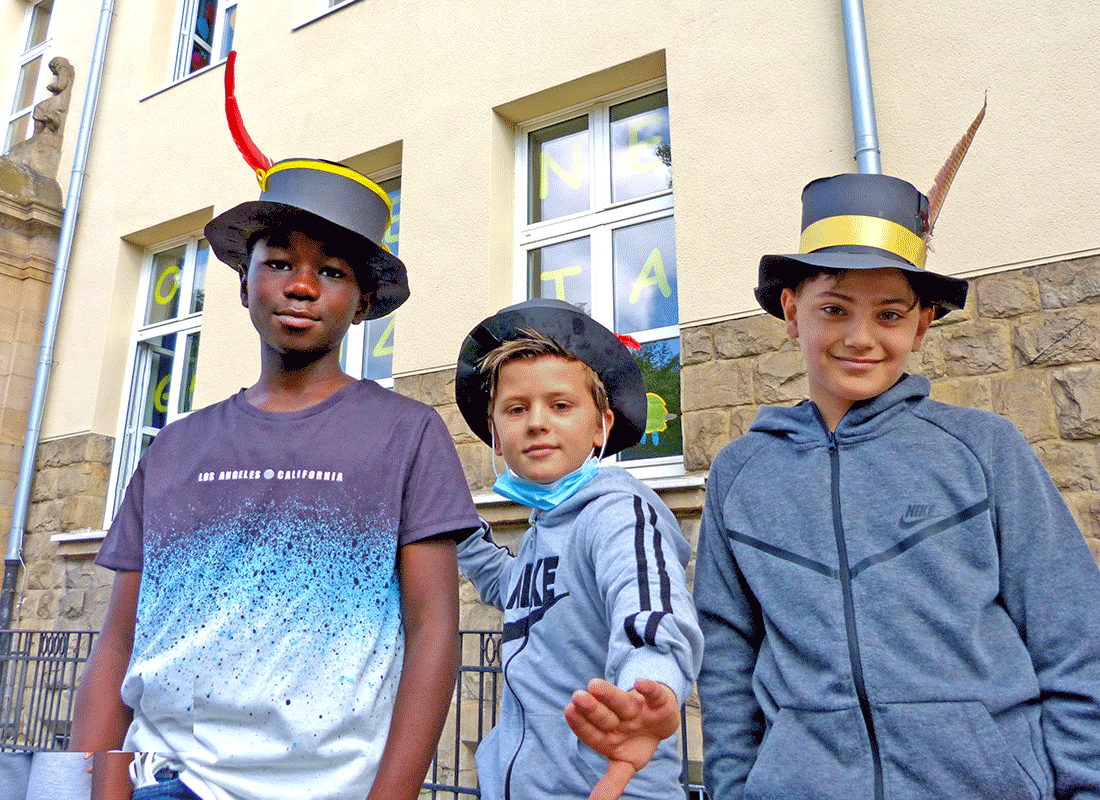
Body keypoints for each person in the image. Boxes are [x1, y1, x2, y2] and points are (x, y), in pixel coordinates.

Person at [69, 52, 480, 800]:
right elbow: (118, 644)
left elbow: (433, 635)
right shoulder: (176, 447)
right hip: (166, 782)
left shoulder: (406, 434)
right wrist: (96, 788)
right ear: (244, 283)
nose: (299, 284)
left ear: (362, 303)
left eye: (331, 272)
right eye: (279, 262)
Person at [695, 168, 1100, 799]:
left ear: (921, 326)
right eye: (834, 309)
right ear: (792, 310)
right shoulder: (739, 474)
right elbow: (726, 663)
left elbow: (1074, 638)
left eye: (889, 314)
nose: (861, 338)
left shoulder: (985, 449)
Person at [453, 299, 703, 800]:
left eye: (561, 405)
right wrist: (453, 526)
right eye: (516, 409)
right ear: (496, 438)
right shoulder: (543, 529)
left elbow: (650, 611)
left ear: (600, 427)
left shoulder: (616, 514)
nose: (538, 422)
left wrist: (646, 689)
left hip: (611, 787)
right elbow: (512, 587)